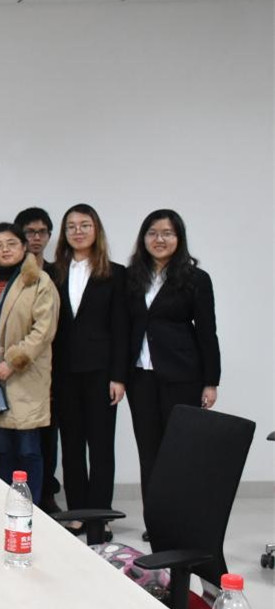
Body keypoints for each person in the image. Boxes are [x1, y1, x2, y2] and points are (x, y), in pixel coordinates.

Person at [125, 209, 219, 525]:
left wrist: (211, 381)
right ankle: (156, 523)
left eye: (167, 233)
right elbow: (125, 326)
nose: (160, 239)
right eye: (153, 233)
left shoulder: (195, 279)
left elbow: (207, 332)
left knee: (179, 451)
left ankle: (180, 522)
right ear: (143, 238)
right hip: (141, 377)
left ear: (179, 238)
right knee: (149, 452)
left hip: (183, 376)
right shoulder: (132, 276)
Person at [51, 205, 128, 541]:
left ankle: (101, 514)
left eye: (85, 225)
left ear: (97, 230)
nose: (78, 231)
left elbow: (122, 328)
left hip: (101, 372)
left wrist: (119, 376)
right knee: (71, 445)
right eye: (71, 226)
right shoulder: (54, 272)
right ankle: (78, 513)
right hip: (64, 371)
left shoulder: (116, 273)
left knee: (100, 446)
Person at [0, 223, 59, 503]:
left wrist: (12, 361)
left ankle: (32, 508)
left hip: (24, 376)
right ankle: (9, 506)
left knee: (28, 449)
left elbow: (43, 331)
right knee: (4, 450)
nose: (4, 250)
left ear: (24, 246)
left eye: (11, 244)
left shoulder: (40, 281)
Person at [15, 206, 59, 510]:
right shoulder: (9, 274)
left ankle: (47, 494)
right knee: (17, 440)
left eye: (42, 232)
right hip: (15, 366)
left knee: (48, 432)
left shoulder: (58, 273)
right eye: (29, 232)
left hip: (50, 365)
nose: (36, 238)